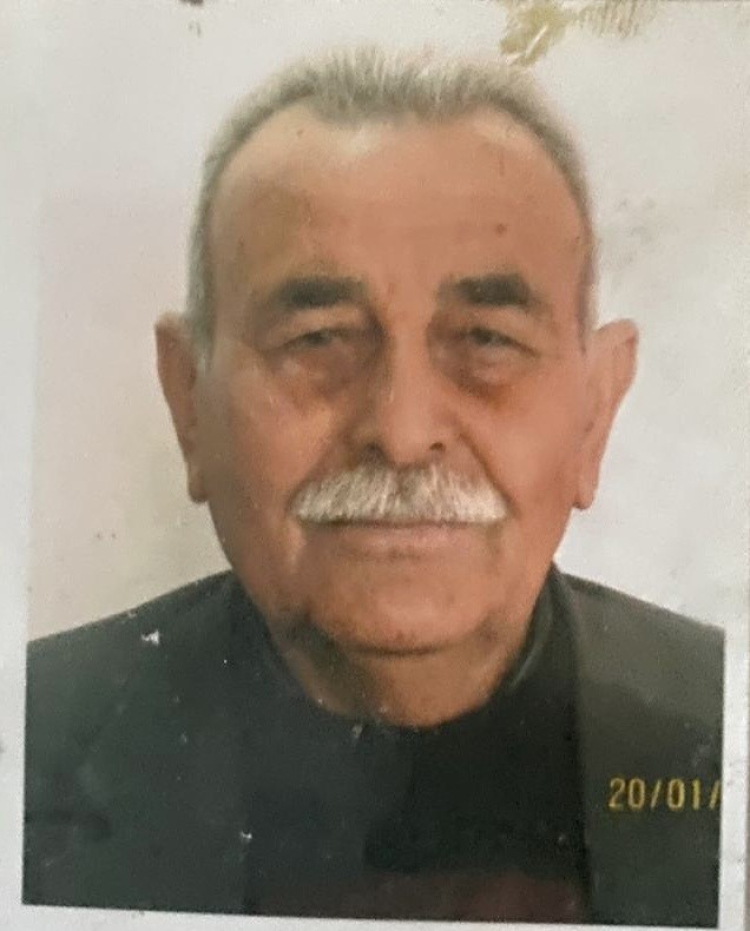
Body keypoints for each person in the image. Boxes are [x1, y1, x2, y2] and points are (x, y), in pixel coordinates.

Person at [24, 46, 723, 925]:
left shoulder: (722, 720)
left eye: (487, 340)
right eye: (318, 339)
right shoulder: (30, 736)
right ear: (188, 401)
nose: (400, 432)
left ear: (595, 411)